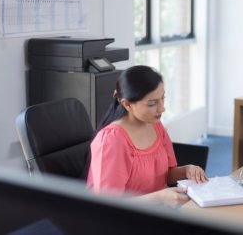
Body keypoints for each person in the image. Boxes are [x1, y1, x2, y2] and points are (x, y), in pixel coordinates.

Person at [87, 65, 208, 207]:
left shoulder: (156, 125)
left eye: (163, 98)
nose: (162, 108)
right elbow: (108, 207)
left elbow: (166, 174)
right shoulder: (112, 140)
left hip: (155, 213)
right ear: (127, 104)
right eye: (152, 103)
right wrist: (160, 197)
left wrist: (187, 170)